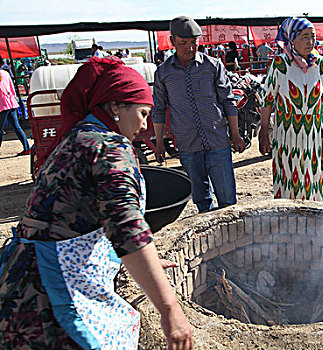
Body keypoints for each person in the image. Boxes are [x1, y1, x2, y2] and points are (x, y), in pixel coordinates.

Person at [0, 57, 194, 349]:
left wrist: (144, 265)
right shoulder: (110, 148)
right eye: (143, 112)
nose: (144, 125)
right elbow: (126, 230)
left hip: (17, 288)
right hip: (52, 302)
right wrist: (171, 311)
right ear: (116, 107)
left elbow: (76, 223)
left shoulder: (75, 138)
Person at [259, 17, 323, 201]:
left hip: (316, 134)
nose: (310, 42)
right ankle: (288, 222)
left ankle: (317, 223)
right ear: (292, 39)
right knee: (289, 178)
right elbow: (268, 101)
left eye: (312, 37)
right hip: (287, 134)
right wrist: (264, 131)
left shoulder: (321, 65)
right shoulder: (280, 65)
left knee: (316, 178)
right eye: (305, 37)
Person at [152, 16, 245, 213]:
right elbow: (158, 109)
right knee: (201, 200)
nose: (190, 48)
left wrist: (235, 134)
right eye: (183, 43)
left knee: (228, 199)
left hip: (218, 140)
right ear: (172, 41)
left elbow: (228, 101)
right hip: (187, 144)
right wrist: (159, 143)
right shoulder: (163, 73)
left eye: (194, 42)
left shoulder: (212, 66)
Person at [0, 69, 31, 155]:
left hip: (2, 104)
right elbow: (11, 87)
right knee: (16, 127)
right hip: (11, 102)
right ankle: (27, 148)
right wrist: (13, 97)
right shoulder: (5, 73)